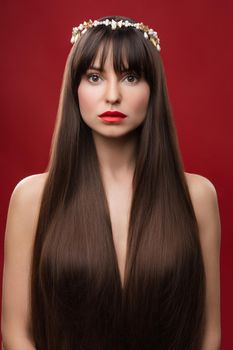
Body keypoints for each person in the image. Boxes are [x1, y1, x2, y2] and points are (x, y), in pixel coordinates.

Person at [1, 15, 221, 350]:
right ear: (74, 89)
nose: (112, 95)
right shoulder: (32, 198)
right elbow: (16, 334)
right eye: (94, 77)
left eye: (130, 77)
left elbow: (208, 334)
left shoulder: (197, 197)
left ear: (153, 90)